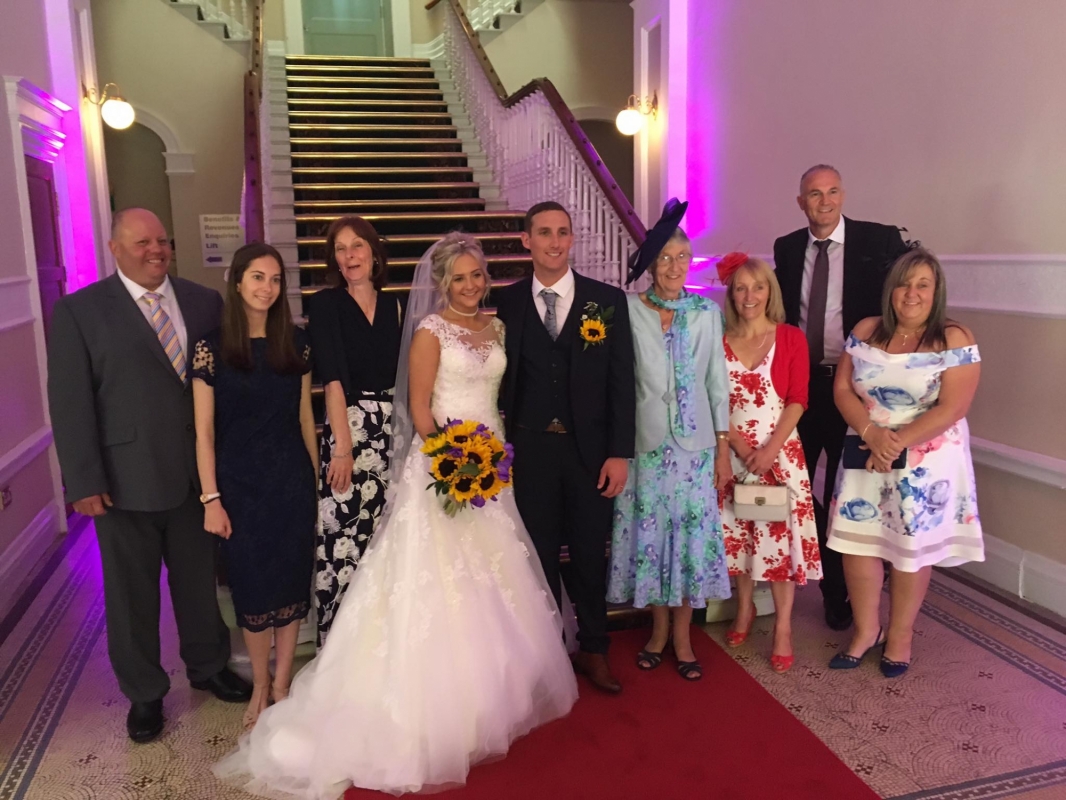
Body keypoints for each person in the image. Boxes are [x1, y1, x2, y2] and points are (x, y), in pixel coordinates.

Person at [213, 233, 577, 797]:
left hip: (491, 468)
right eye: (458, 277)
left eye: (477, 275)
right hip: (446, 468)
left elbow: (502, 394)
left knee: (494, 580)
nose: (471, 284)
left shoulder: (498, 327)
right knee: (433, 583)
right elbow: (420, 407)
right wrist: (457, 462)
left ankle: (490, 697)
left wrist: (491, 457)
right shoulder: (428, 332)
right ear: (442, 283)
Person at [46, 208, 251, 744]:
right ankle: (144, 693)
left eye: (162, 240)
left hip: (195, 478)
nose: (155, 250)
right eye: (141, 242)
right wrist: (83, 480)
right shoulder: (79, 312)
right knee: (132, 595)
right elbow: (70, 403)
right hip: (122, 481)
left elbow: (222, 384)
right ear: (115, 248)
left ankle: (208, 667)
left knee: (198, 584)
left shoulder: (204, 302)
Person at [494, 201, 636, 694]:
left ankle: (595, 649)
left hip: (590, 453)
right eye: (544, 233)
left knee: (590, 555)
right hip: (530, 452)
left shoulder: (606, 300)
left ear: (572, 239)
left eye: (563, 233)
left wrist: (620, 452)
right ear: (526, 241)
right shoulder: (508, 304)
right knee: (537, 557)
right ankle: (547, 652)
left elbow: (623, 382)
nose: (555, 242)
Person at [826, 248, 982, 677]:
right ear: (890, 290)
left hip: (924, 461)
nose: (911, 293)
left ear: (936, 292)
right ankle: (865, 631)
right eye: (904, 283)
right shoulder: (866, 330)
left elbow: (953, 407)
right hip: (865, 450)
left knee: (909, 550)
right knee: (858, 543)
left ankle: (900, 636)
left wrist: (893, 444)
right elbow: (843, 389)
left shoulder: (955, 338)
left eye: (922, 285)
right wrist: (873, 435)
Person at [773, 164, 909, 631]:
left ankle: (837, 594)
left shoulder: (878, 242)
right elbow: (780, 313)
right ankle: (800, 574)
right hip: (800, 388)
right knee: (798, 489)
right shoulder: (788, 249)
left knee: (845, 495)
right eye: (814, 194)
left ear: (843, 196)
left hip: (853, 391)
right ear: (801, 202)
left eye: (832, 192)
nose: (824, 202)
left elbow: (903, 304)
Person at [191, 243, 318, 729]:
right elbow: (203, 432)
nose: (267, 287)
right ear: (238, 281)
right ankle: (260, 683)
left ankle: (282, 683)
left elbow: (306, 417)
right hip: (239, 486)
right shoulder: (212, 347)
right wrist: (211, 498)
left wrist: (313, 482)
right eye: (257, 277)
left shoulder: (297, 343)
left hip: (290, 481)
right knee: (252, 589)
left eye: (275, 279)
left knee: (289, 585)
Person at [607, 199, 732, 682]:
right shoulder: (630, 311)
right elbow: (620, 382)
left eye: (683, 257)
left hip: (696, 449)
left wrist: (723, 449)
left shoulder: (706, 313)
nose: (675, 267)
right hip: (645, 447)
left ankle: (683, 636)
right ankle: (657, 633)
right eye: (665, 258)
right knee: (652, 543)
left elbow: (717, 384)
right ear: (651, 264)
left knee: (688, 542)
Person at [715, 252, 822, 674]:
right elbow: (712, 399)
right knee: (741, 537)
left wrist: (769, 450)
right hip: (733, 451)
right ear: (731, 293)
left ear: (769, 292)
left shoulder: (791, 338)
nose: (749, 295)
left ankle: (782, 628)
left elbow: (798, 399)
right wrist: (740, 448)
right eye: (740, 287)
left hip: (779, 455)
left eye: (758, 287)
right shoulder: (718, 340)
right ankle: (743, 609)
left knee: (778, 545)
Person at [306, 215, 403, 645]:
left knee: (385, 536)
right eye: (341, 249)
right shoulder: (326, 303)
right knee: (344, 536)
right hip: (350, 426)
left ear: (372, 251)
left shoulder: (394, 304)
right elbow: (333, 380)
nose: (350, 255)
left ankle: (378, 642)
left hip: (391, 431)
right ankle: (339, 645)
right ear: (335, 260)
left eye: (357, 246)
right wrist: (341, 447)